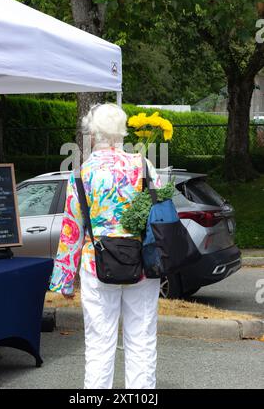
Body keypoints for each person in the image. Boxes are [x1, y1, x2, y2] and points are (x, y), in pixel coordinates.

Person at [50, 103, 161, 389]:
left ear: (92, 133)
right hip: (141, 264)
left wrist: (64, 280)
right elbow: (158, 215)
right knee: (142, 340)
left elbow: (72, 229)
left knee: (99, 345)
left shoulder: (81, 173)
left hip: (96, 264)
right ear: (123, 132)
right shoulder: (144, 165)